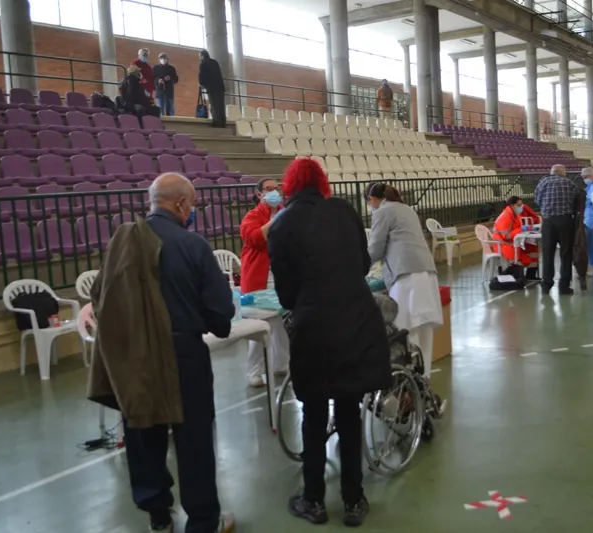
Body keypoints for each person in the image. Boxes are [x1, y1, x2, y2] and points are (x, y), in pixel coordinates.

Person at [89, 172, 236, 533]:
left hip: (135, 355)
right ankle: (202, 521)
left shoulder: (121, 242)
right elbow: (220, 314)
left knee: (143, 434)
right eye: (194, 205)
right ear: (181, 203)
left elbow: (99, 296)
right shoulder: (193, 245)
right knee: (194, 440)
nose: (194, 211)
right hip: (183, 353)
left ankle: (158, 515)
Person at [268, 159, 391, 527]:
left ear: (289, 186)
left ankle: (313, 499)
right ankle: (354, 500)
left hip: (313, 328)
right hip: (354, 320)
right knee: (350, 412)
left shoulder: (281, 225)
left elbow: (287, 294)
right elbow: (363, 262)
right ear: (322, 182)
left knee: (314, 415)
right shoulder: (343, 210)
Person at [367, 182, 443, 376]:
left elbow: (374, 249)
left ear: (372, 199)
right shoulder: (407, 209)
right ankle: (423, 383)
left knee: (405, 331)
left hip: (407, 277)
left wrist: (357, 268)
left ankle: (408, 385)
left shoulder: (382, 212)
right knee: (424, 331)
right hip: (426, 272)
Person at [239, 178, 289, 387]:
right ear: (259, 194)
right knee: (261, 323)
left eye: (276, 188)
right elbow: (254, 238)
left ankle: (282, 365)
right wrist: (275, 220)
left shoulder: (286, 211)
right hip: (260, 275)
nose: (273, 192)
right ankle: (254, 370)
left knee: (281, 323)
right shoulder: (252, 216)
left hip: (281, 272)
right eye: (268, 189)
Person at [534, 164, 579, 295]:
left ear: (551, 172)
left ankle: (546, 285)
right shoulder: (569, 183)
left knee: (547, 254)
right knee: (566, 253)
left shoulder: (543, 182)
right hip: (565, 221)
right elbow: (576, 200)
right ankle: (564, 286)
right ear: (563, 173)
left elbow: (537, 200)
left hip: (548, 221)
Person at [491, 196, 541, 279]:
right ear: (512, 206)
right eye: (519, 205)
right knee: (523, 257)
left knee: (533, 247)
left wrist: (527, 228)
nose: (521, 207)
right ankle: (509, 274)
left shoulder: (515, 214)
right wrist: (522, 229)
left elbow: (517, 228)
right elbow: (506, 236)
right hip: (503, 244)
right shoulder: (505, 216)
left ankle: (531, 275)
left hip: (514, 241)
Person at [198, 49, 226, 128]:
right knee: (220, 104)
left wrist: (201, 83)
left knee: (214, 104)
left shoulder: (203, 63)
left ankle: (217, 122)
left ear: (202, 56)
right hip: (220, 86)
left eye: (199, 56)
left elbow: (201, 75)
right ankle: (223, 121)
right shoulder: (215, 62)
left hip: (212, 87)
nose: (199, 58)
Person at [153, 52, 179, 116]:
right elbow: (152, 79)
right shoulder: (155, 68)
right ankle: (160, 125)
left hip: (169, 92)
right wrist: (158, 80)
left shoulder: (171, 68)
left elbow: (176, 79)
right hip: (159, 92)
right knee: (160, 111)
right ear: (159, 59)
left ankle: (172, 125)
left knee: (170, 111)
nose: (163, 60)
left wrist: (170, 79)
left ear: (167, 59)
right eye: (162, 58)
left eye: (165, 58)